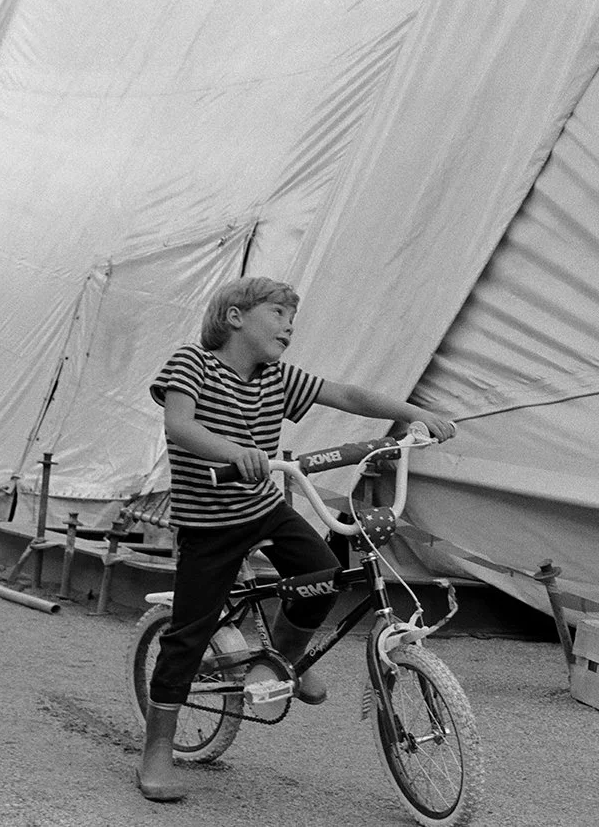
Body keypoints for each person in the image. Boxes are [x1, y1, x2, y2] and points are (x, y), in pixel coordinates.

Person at [136, 276, 457, 802]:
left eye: (292, 318)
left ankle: (279, 661)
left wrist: (413, 414)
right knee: (190, 633)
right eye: (279, 314)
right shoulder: (190, 363)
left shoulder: (275, 377)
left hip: (264, 508)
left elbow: (346, 394)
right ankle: (156, 748)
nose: (289, 326)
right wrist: (230, 452)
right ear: (236, 316)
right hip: (210, 522)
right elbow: (180, 426)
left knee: (324, 576)